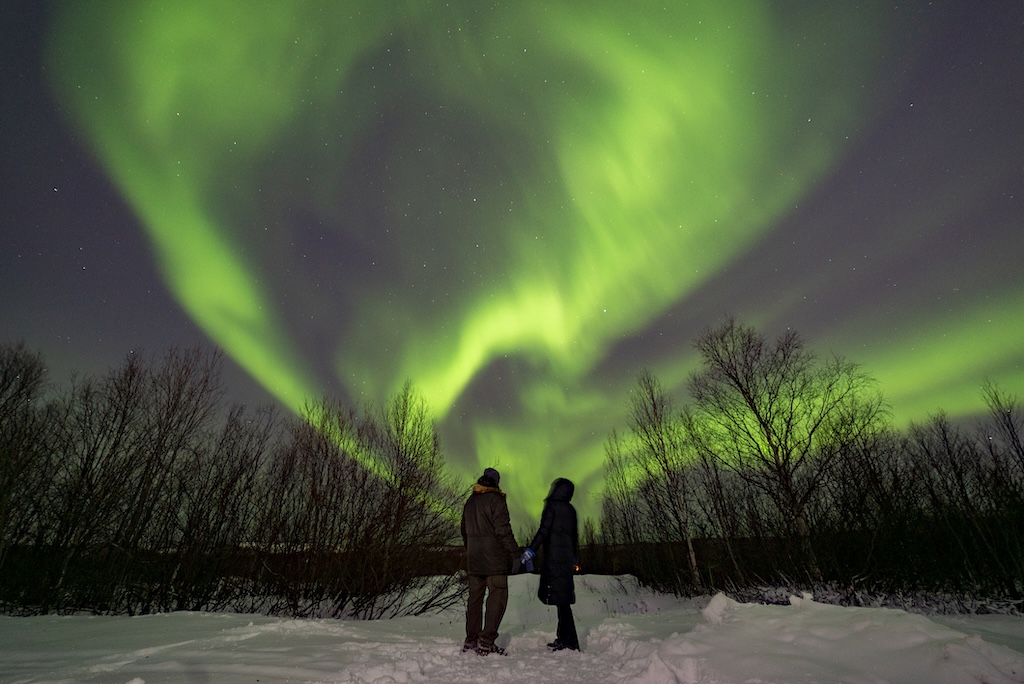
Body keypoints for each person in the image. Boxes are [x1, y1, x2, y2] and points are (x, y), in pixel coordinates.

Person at [461, 467, 519, 656]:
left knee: (474, 600)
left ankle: (471, 640)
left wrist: (471, 550)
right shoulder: (497, 500)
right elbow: (503, 530)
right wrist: (514, 554)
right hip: (494, 560)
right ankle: (486, 641)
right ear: (496, 483)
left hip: (474, 559)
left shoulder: (470, 501)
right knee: (497, 598)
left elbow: (464, 530)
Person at [521, 477, 580, 651]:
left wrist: (531, 550)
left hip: (554, 560)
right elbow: (574, 536)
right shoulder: (571, 510)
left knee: (562, 603)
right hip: (566, 560)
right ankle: (565, 638)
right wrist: (575, 558)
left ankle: (570, 642)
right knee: (563, 601)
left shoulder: (552, 507)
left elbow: (543, 530)